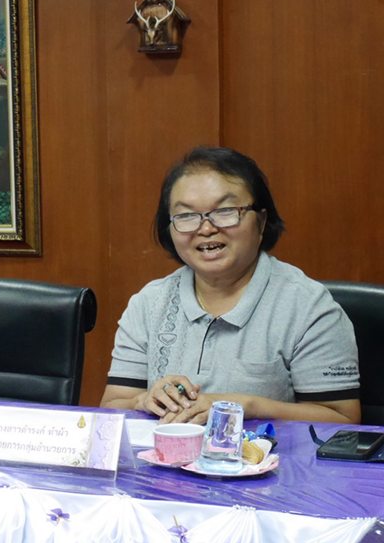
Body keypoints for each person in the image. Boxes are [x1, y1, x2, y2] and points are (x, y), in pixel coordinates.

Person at [100, 146, 360, 424]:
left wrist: (246, 406)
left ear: (261, 221)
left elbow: (343, 419)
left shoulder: (308, 306)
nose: (206, 229)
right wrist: (143, 401)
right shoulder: (149, 304)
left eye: (225, 211)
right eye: (186, 216)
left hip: (269, 453)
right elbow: (112, 407)